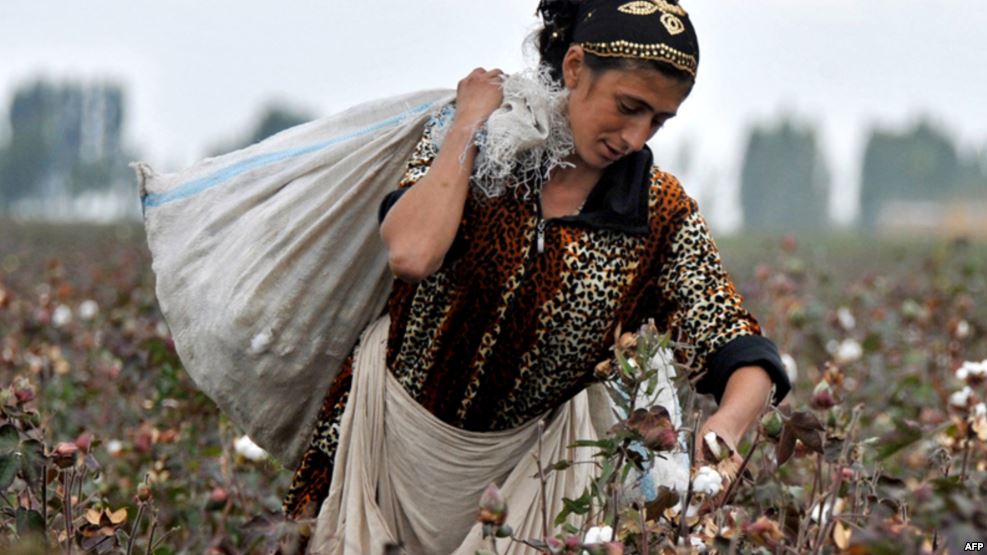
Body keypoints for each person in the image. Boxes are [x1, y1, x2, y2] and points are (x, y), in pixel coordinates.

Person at [284, 0, 791, 547]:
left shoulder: (655, 212)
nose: (636, 137)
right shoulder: (481, 148)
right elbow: (411, 253)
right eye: (628, 106)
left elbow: (737, 344)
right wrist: (468, 126)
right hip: (383, 444)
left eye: (658, 120)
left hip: (528, 484)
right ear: (574, 68)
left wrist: (727, 430)